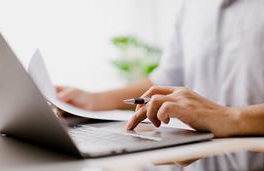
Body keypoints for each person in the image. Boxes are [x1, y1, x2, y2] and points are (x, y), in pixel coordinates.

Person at [57, 0, 264, 137]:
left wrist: (229, 117)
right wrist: (95, 101)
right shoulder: (193, 7)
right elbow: (165, 82)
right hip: (192, 165)